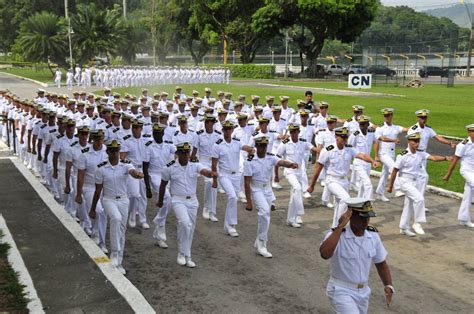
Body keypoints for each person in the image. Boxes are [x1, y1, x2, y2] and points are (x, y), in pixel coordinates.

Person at [320, 198, 394, 314]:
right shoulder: (337, 234)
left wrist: (388, 285)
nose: (365, 222)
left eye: (367, 217)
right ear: (349, 215)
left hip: (363, 292)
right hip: (341, 289)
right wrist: (339, 227)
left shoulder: (373, 236)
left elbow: (381, 263)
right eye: (361, 217)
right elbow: (324, 254)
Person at [157, 142, 216, 268]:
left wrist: (210, 173)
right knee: (185, 223)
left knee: (190, 228)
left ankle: (187, 255)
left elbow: (203, 171)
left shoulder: (194, 165)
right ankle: (181, 253)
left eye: (187, 153)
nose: (185, 155)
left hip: (192, 201)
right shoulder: (169, 167)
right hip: (178, 200)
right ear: (177, 154)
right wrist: (160, 200)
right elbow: (163, 185)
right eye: (182, 153)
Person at [90, 139, 144, 275]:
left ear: (120, 152)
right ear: (107, 152)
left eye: (117, 151)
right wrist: (92, 208)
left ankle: (119, 261)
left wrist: (137, 174)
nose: (114, 153)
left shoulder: (125, 165)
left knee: (121, 230)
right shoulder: (101, 168)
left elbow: (132, 171)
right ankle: (114, 253)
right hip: (108, 199)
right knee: (116, 218)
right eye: (112, 151)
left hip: (123, 200)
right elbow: (97, 190)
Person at [307, 127, 380, 228]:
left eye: (346, 137)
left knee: (338, 205)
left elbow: (362, 155)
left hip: (344, 181)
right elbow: (318, 168)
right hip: (332, 180)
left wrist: (373, 161)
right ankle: (339, 227)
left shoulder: (349, 148)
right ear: (336, 137)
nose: (345, 140)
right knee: (346, 200)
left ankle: (334, 227)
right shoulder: (328, 150)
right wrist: (312, 185)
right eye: (343, 137)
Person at [387, 132, 452, 236]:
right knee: (419, 199)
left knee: (409, 205)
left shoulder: (420, 154)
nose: (417, 143)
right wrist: (390, 186)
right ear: (409, 142)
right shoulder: (402, 155)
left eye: (418, 141)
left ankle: (403, 227)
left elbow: (433, 158)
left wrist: (445, 158)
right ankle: (417, 223)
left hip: (414, 182)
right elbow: (395, 170)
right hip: (404, 181)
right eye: (414, 141)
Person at [243, 135, 298, 257]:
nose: (263, 148)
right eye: (260, 146)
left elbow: (280, 162)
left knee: (266, 215)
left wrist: (290, 164)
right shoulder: (250, 161)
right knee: (264, 212)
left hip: (267, 189)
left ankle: (259, 241)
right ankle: (262, 244)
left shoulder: (270, 157)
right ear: (256, 146)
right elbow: (247, 182)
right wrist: (248, 201)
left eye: (264, 146)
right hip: (256, 189)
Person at [212, 120, 254, 237]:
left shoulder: (236, 142)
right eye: (226, 129)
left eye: (230, 129)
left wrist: (250, 149)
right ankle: (231, 225)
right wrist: (215, 180)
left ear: (232, 130)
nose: (228, 131)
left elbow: (244, 147)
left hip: (236, 175)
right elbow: (214, 163)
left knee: (234, 199)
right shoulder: (218, 145)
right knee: (232, 196)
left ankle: (228, 226)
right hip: (224, 175)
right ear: (223, 130)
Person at [276, 123, 317, 227]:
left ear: (298, 132)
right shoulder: (285, 143)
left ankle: (291, 219)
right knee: (298, 188)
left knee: (294, 195)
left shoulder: (303, 142)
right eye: (291, 132)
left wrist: (325, 151)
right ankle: (299, 212)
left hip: (299, 172)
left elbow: (314, 148)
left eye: (295, 131)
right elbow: (276, 158)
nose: (293, 133)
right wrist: (276, 175)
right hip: (289, 172)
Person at [143, 123, 177, 248]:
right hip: (154, 175)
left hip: (167, 174)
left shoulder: (168, 145)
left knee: (164, 203)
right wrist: (147, 187)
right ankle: (159, 225)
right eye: (155, 133)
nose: (157, 135)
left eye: (159, 133)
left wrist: (175, 160)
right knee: (166, 198)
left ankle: (158, 233)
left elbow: (180, 152)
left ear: (163, 133)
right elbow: (145, 168)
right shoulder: (148, 146)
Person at [443, 124, 474, 228]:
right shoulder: (463, 145)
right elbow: (455, 161)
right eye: (473, 131)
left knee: (468, 194)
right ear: (469, 133)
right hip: (466, 170)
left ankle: (464, 218)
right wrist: (448, 175)